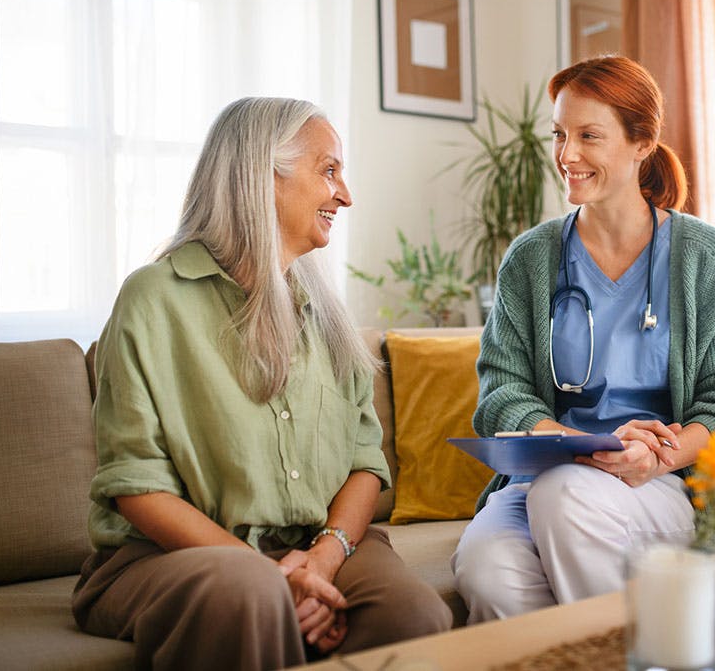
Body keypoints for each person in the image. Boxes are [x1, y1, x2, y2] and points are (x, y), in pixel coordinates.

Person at [72, 97, 452, 670]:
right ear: (262, 178)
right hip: (166, 558)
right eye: (329, 171)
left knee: (414, 617)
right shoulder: (153, 299)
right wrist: (273, 577)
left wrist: (320, 562)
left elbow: (364, 464)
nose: (345, 195)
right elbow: (136, 485)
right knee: (249, 596)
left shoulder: (325, 311)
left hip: (318, 545)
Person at [451, 56, 715, 622]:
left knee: (564, 497)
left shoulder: (702, 255)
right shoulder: (531, 257)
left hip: (663, 482)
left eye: (589, 136)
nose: (566, 155)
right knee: (487, 570)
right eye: (560, 135)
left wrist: (659, 456)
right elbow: (500, 393)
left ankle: (651, 650)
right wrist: (572, 442)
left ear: (642, 142)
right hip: (545, 474)